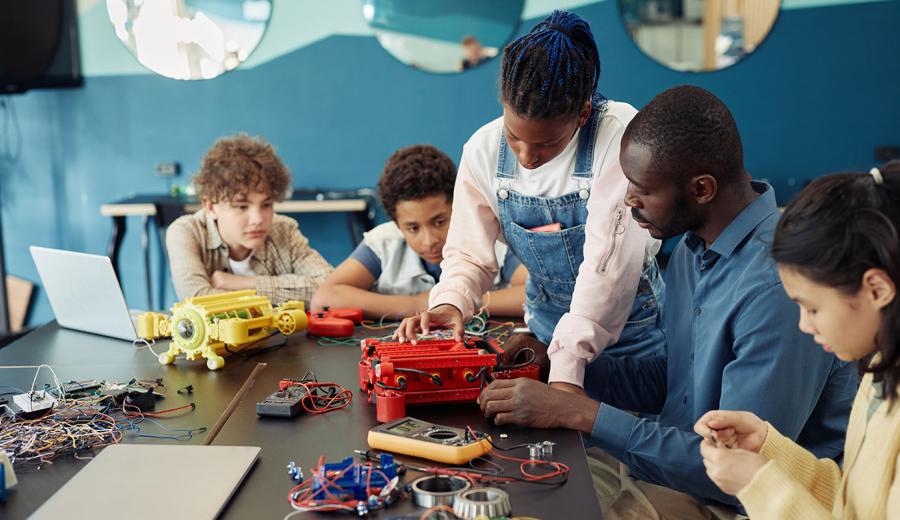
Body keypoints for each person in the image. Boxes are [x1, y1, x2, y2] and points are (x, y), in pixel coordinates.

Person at [478, 86, 857, 517]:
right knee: (512, 493)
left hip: (736, 500)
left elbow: (739, 472)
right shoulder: (691, 253)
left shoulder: (779, 287)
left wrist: (583, 414)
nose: (627, 201)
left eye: (641, 189)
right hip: (668, 468)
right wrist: (564, 367)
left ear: (701, 189)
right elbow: (676, 385)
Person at [396, 10, 664, 388]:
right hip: (544, 330)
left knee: (629, 440)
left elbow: (608, 269)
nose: (526, 156)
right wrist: (450, 302)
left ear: (582, 114)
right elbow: (470, 254)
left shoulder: (619, 137)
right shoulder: (483, 150)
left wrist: (566, 376)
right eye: (513, 135)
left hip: (628, 336)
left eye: (546, 143)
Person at [695, 161, 900, 519]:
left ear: (877, 289)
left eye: (813, 308)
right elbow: (857, 505)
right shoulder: (879, 372)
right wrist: (768, 448)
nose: (804, 325)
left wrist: (759, 485)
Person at [311, 144, 527, 320]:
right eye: (413, 228)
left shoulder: (491, 238)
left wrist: (455, 304)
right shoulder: (383, 244)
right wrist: (417, 304)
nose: (429, 240)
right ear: (397, 225)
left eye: (440, 221)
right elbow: (326, 297)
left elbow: (535, 294)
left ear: (458, 206)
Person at [167, 134, 332, 305]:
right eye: (241, 206)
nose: (257, 219)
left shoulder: (284, 230)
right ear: (210, 207)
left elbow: (330, 287)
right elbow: (197, 300)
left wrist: (241, 284)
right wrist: (282, 296)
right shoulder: (186, 231)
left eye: (266, 205)